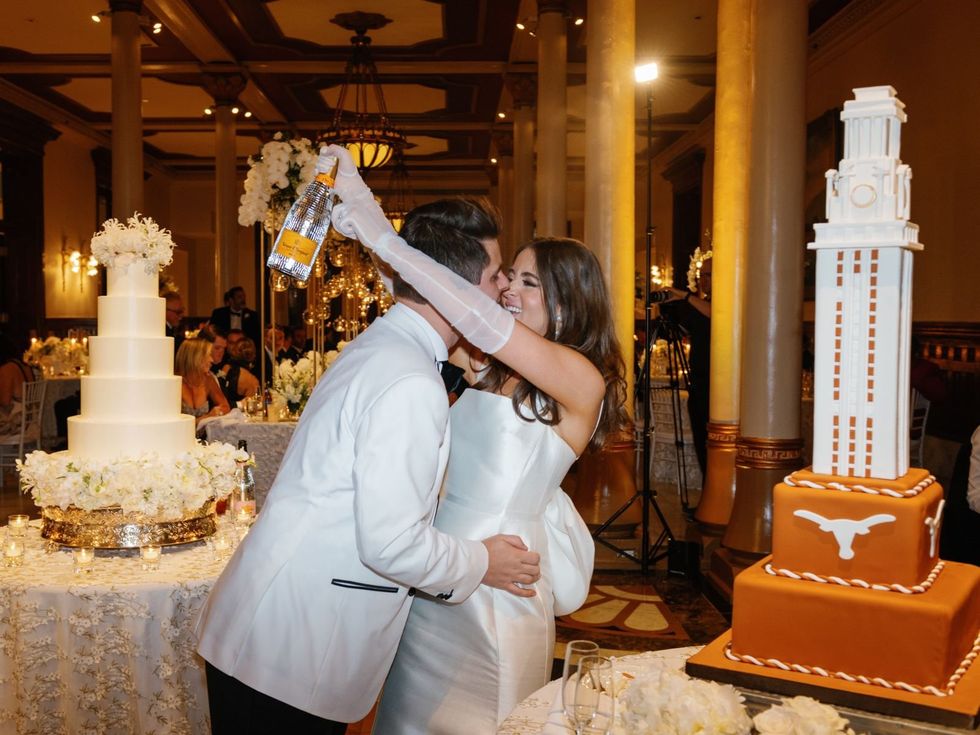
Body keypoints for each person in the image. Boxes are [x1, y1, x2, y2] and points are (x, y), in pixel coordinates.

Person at [195, 194, 542, 734]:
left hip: (275, 631)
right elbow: (392, 543)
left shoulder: (386, 345)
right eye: (495, 274)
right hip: (293, 650)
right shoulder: (408, 380)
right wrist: (481, 562)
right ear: (448, 284)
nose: (503, 289)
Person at [327, 145, 627, 733]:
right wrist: (367, 228)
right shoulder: (485, 364)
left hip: (502, 583)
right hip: (440, 571)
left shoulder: (581, 380)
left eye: (528, 282)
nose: (508, 290)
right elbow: (427, 296)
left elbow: (470, 308)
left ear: (567, 301)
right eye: (509, 276)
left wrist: (378, 229)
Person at [654, 253, 712, 474]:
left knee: (711, 440)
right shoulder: (700, 304)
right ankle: (708, 491)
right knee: (700, 437)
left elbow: (715, 315)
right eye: (701, 275)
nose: (702, 279)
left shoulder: (724, 305)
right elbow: (681, 333)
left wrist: (683, 295)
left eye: (707, 275)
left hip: (714, 384)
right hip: (696, 380)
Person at [174, 338, 230, 430]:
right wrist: (206, 417)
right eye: (208, 355)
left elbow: (225, 407)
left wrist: (217, 413)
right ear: (195, 357)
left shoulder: (208, 379)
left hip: (204, 440)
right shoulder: (174, 382)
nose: (211, 360)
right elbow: (173, 424)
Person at [0, 333, 35, 434]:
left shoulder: (7, 369)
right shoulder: (25, 367)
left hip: (15, 422)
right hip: (29, 418)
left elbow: (5, 402)